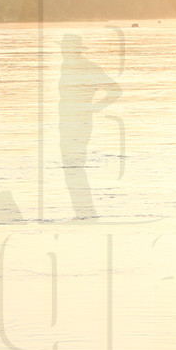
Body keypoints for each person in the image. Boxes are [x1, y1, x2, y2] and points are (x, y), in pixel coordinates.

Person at [58, 33, 122, 218]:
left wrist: (94, 107)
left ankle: (86, 213)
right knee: (70, 167)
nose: (62, 50)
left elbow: (115, 90)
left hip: (79, 122)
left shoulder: (88, 67)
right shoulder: (66, 66)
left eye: (65, 47)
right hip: (66, 122)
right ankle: (82, 212)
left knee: (74, 167)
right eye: (62, 47)